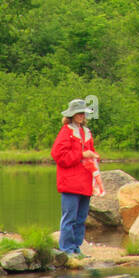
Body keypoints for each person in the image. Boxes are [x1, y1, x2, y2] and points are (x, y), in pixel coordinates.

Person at [51, 100, 98, 255]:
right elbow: (59, 156)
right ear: (71, 115)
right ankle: (66, 249)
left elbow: (90, 153)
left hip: (85, 181)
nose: (81, 115)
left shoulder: (86, 132)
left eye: (82, 113)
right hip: (70, 182)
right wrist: (82, 154)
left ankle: (76, 248)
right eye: (78, 113)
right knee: (69, 218)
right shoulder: (66, 132)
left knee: (81, 218)